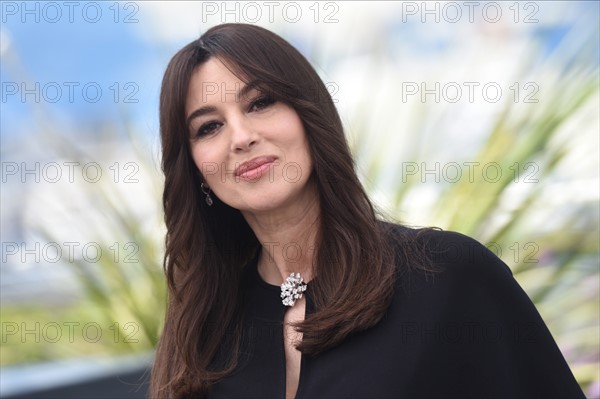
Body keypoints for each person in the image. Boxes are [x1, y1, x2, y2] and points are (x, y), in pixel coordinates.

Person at [149, 23, 585, 399]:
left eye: (260, 103)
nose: (240, 137)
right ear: (196, 168)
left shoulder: (449, 275)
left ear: (309, 115)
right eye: (209, 127)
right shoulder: (205, 324)